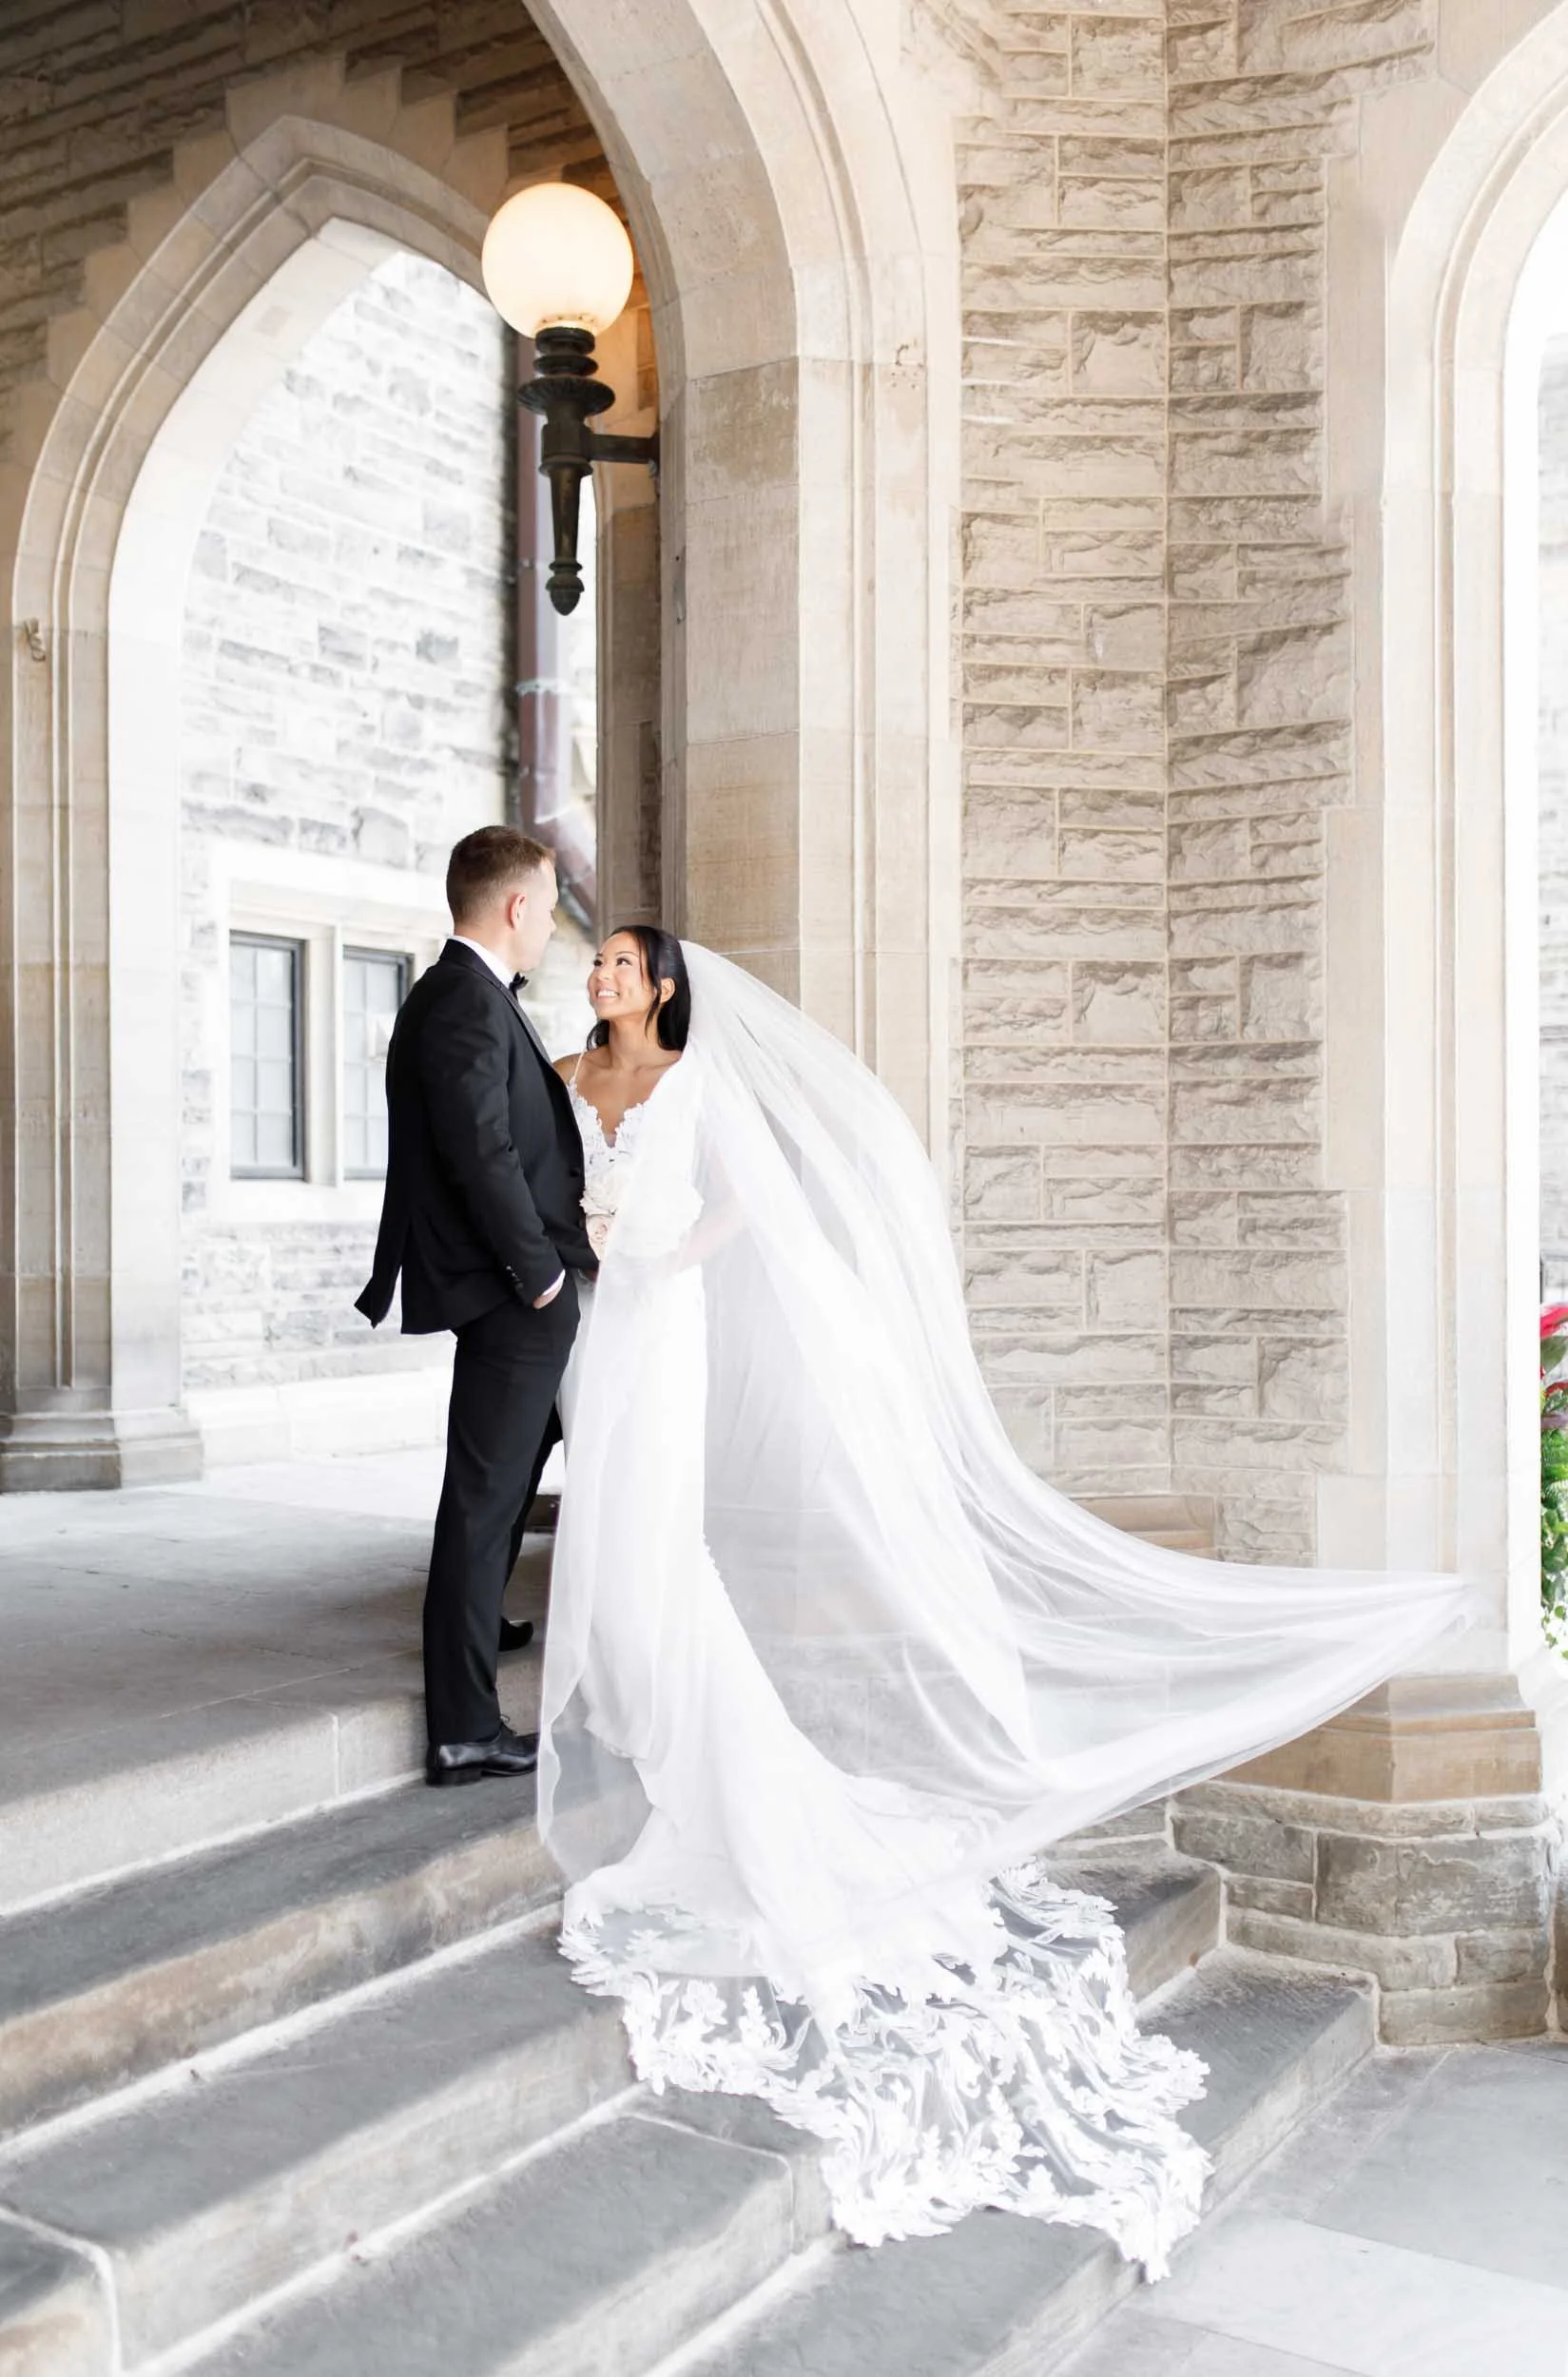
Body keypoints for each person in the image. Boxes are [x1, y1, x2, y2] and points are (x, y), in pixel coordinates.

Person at [535, 928, 1477, 2279]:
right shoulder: (576, 1074)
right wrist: (588, 1240)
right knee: (605, 1515)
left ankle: (670, 1699)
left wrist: (665, 1260)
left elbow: (752, 1196)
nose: (606, 977)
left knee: (657, 1525)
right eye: (603, 966)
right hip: (597, 1333)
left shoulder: (691, 1077)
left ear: (665, 985)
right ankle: (622, 1678)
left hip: (659, 1323)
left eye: (624, 963)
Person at [356, 828, 596, 1788]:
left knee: (507, 1476)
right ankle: (462, 1728)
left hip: (520, 1290)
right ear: (513, 907)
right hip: (511, 1294)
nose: (547, 920)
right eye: (543, 904)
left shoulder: (466, 995)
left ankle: (480, 1620)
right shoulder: (461, 1000)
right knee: (481, 1499)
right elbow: (479, 1151)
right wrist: (539, 1275)